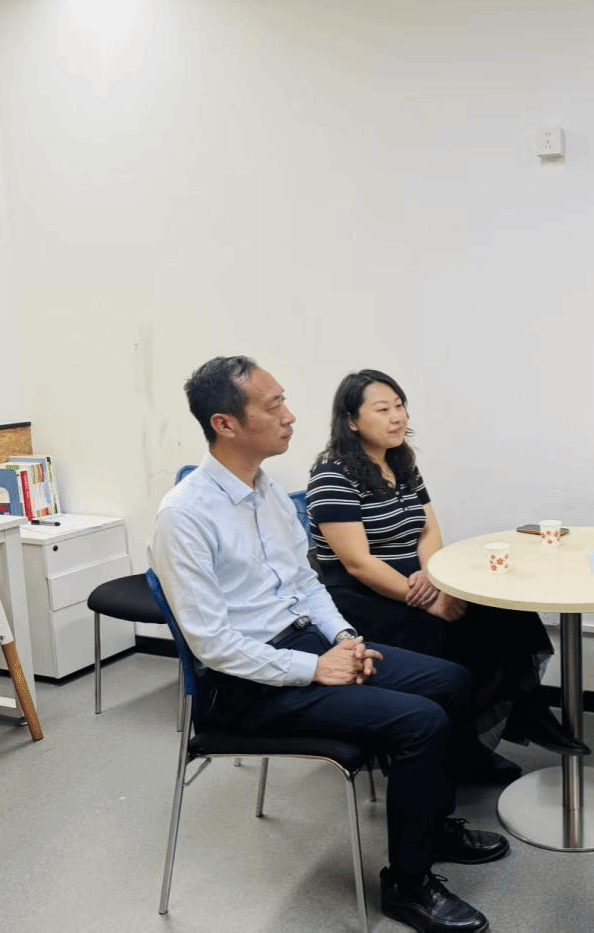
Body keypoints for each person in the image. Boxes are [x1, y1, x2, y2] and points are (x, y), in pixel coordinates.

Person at [150, 356, 508, 933]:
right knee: (420, 723)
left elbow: (307, 584)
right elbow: (212, 643)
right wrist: (314, 668)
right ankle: (409, 886)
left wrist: (344, 638)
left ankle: (431, 827)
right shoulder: (185, 516)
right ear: (226, 424)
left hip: (308, 645)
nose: (290, 416)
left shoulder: (267, 492)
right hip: (244, 687)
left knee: (451, 680)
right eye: (274, 406)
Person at [306, 368, 588, 782]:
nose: (397, 417)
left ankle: (521, 711)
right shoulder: (332, 476)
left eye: (400, 406)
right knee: (461, 637)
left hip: (416, 581)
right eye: (382, 409)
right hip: (364, 600)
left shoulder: (400, 461)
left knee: (506, 609)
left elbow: (428, 529)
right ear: (351, 421)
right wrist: (427, 601)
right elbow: (358, 563)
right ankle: (462, 748)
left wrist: (432, 576)